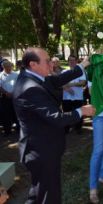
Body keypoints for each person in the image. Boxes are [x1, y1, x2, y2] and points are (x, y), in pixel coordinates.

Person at [13, 47, 96, 204]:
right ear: (33, 64)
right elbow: (57, 118)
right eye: (47, 61)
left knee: (42, 192)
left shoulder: (35, 78)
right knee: (46, 195)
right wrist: (81, 111)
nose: (51, 64)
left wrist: (83, 65)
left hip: (44, 148)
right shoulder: (30, 88)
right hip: (40, 151)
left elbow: (57, 80)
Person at [62, 55, 87, 134]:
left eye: (73, 60)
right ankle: (66, 128)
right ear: (68, 62)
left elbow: (83, 83)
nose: (72, 62)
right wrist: (66, 88)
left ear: (76, 61)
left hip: (78, 96)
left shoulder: (81, 71)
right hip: (66, 97)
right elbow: (60, 82)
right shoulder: (64, 72)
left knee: (79, 112)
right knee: (66, 113)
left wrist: (71, 84)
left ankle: (78, 128)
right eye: (70, 60)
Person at [0, 60, 19, 136]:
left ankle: (18, 129)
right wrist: (6, 93)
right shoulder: (0, 75)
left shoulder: (15, 75)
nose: (9, 68)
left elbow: (19, 84)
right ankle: (7, 131)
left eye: (10, 66)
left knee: (16, 113)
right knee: (6, 114)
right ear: (3, 67)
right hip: (4, 97)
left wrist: (14, 92)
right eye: (7, 67)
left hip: (15, 96)